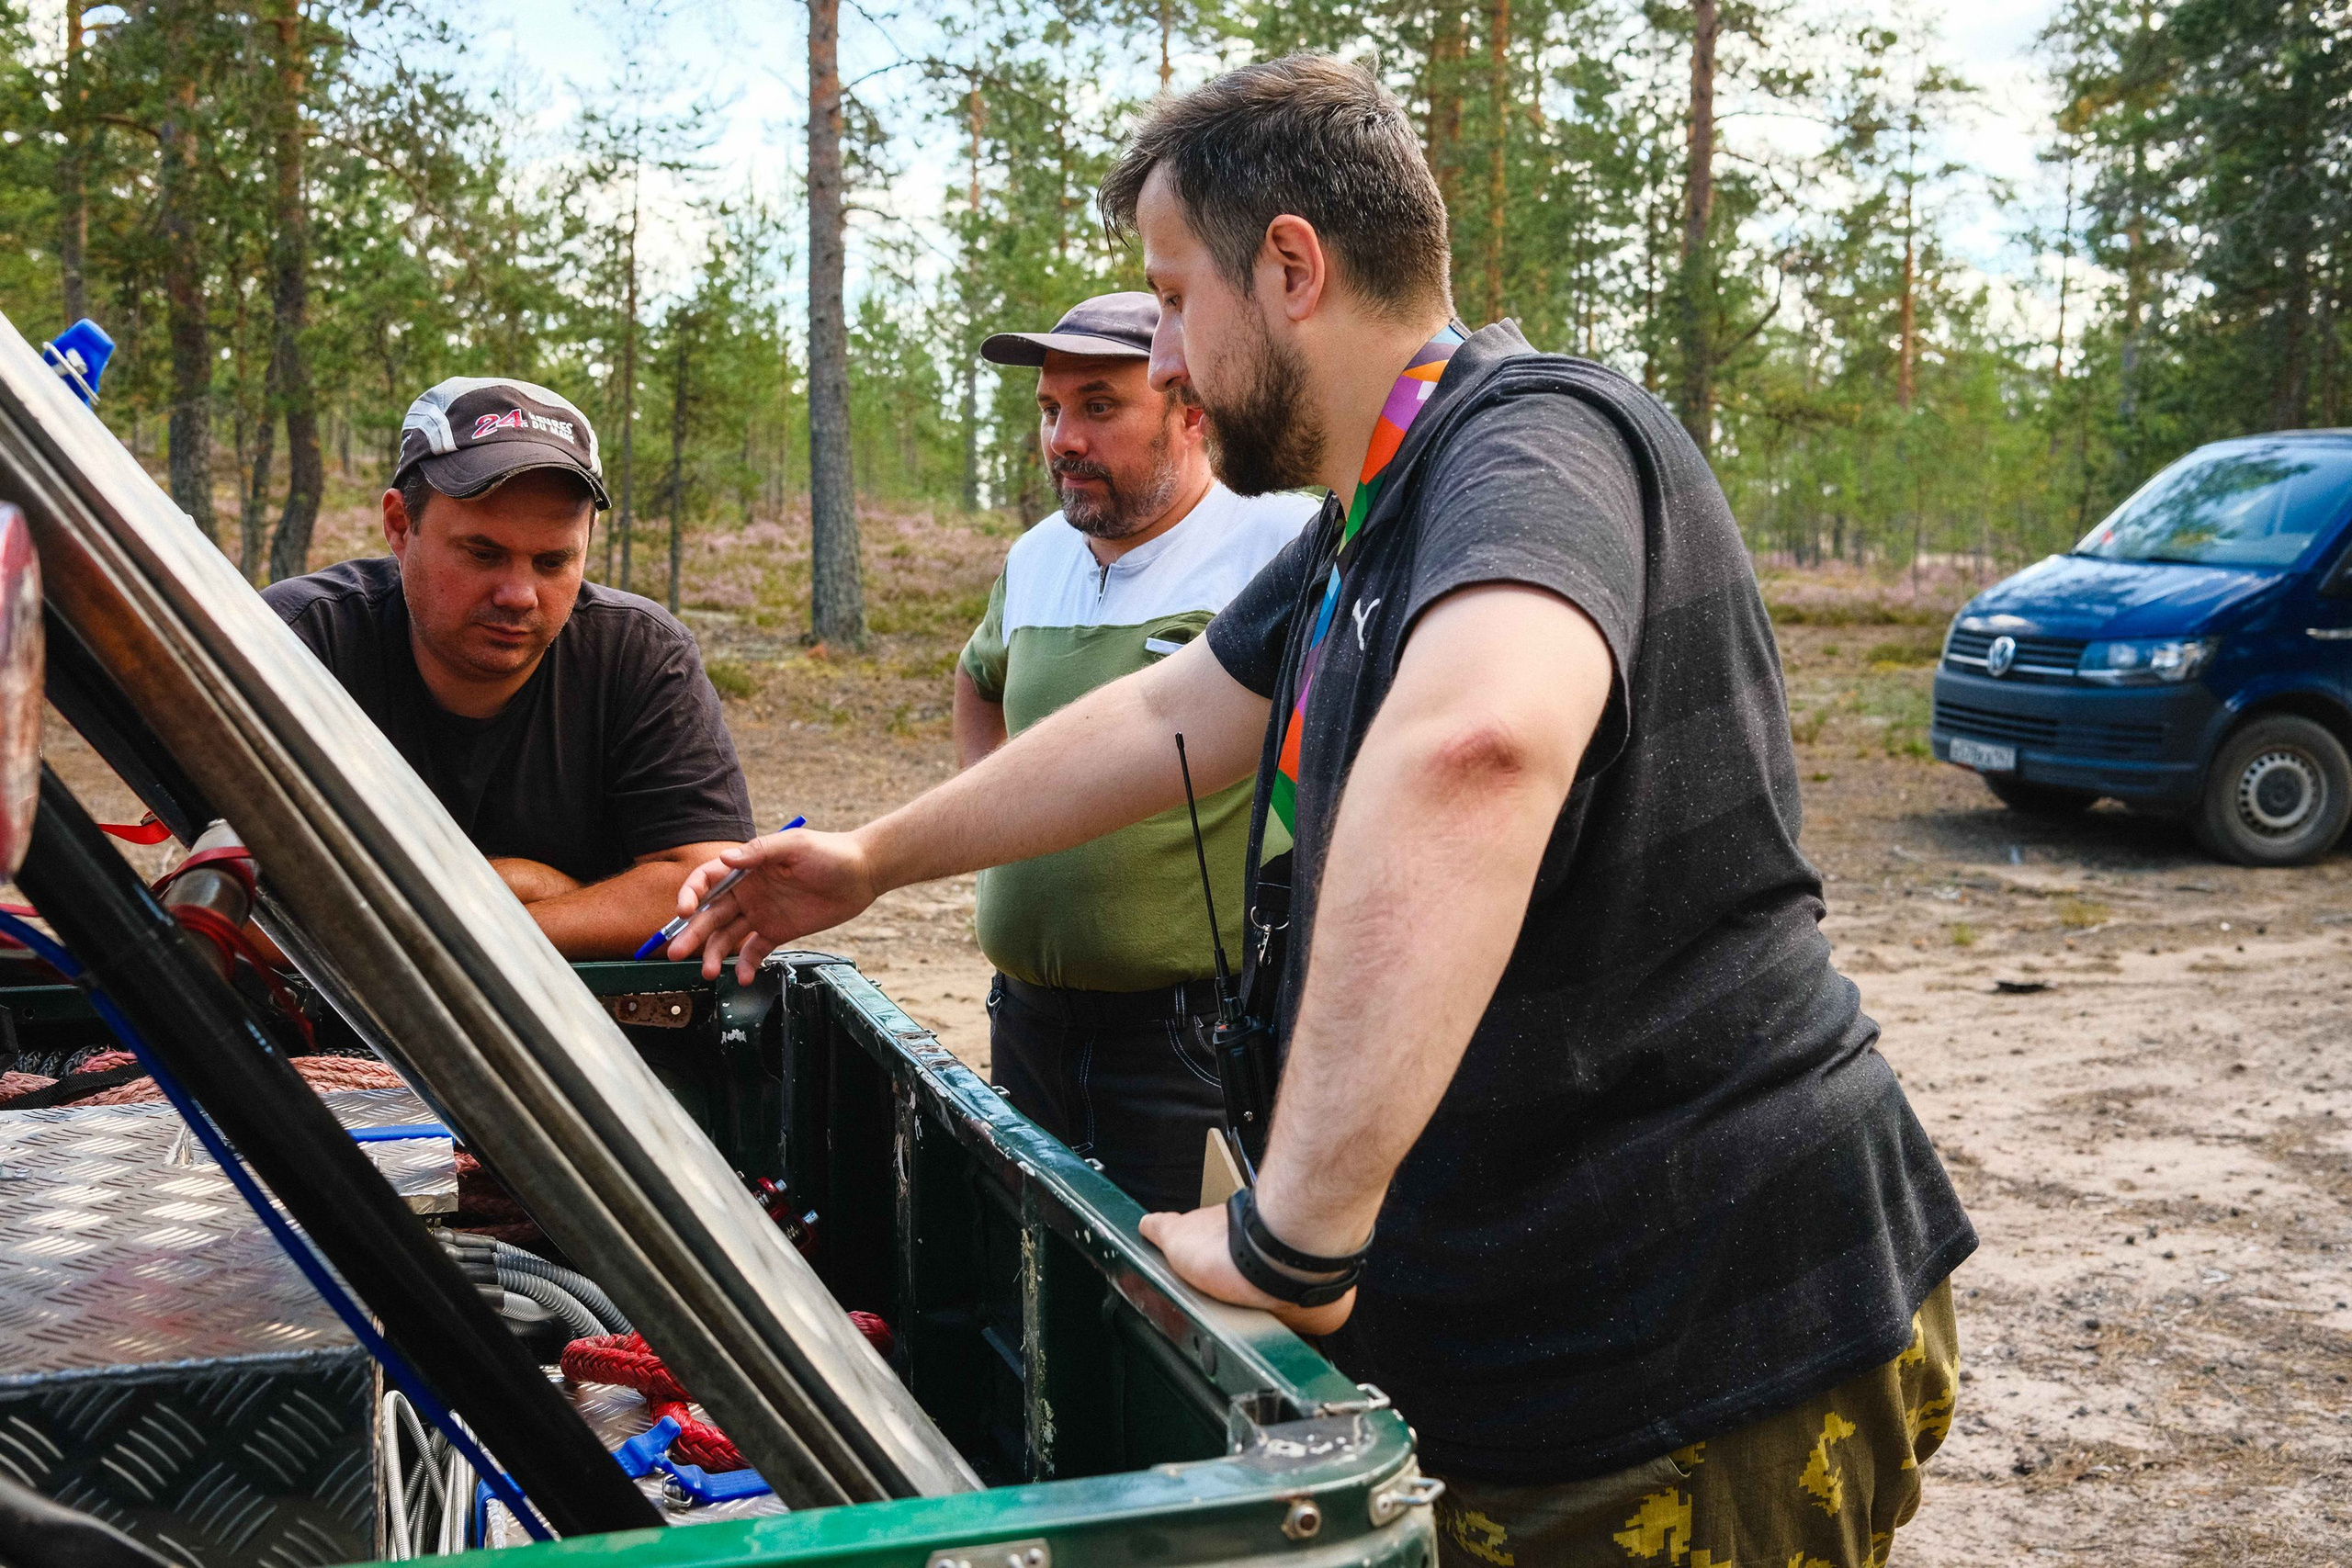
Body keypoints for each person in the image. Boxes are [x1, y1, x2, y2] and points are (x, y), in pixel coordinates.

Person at [670, 54, 1974, 1568]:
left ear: (1290, 266)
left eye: (1173, 299)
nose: (1162, 358)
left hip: (1691, 1337)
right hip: (1532, 1329)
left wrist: (1290, 1229)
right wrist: (873, 860)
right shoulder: (1368, 521)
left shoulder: (1531, 442)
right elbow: (1171, 714)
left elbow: (1480, 741)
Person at [956, 291, 1316, 1214]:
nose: (1062, 438)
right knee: (1033, 1267)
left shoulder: (1278, 542)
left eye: (1098, 406)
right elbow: (978, 675)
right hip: (1025, 1017)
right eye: (1049, 410)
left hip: (1193, 1037)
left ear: (1191, 409)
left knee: (1164, 1315)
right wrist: (989, 828)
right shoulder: (1037, 555)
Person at [267, 376, 754, 960]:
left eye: (553, 562)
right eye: (483, 553)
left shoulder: (639, 654)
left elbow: (708, 885)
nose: (519, 594)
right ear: (400, 526)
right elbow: (237, 907)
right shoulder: (298, 641)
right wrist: (543, 892)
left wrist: (461, 922)